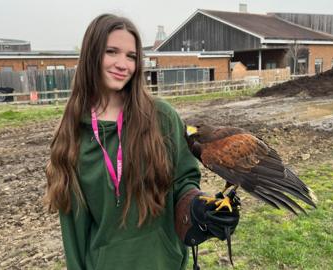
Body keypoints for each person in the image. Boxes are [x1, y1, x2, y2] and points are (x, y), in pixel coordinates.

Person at [44, 13, 239, 270]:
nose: (122, 64)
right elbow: (73, 228)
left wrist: (199, 208)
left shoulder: (161, 117)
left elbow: (184, 180)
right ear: (91, 55)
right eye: (112, 52)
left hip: (164, 262)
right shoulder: (72, 135)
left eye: (131, 56)